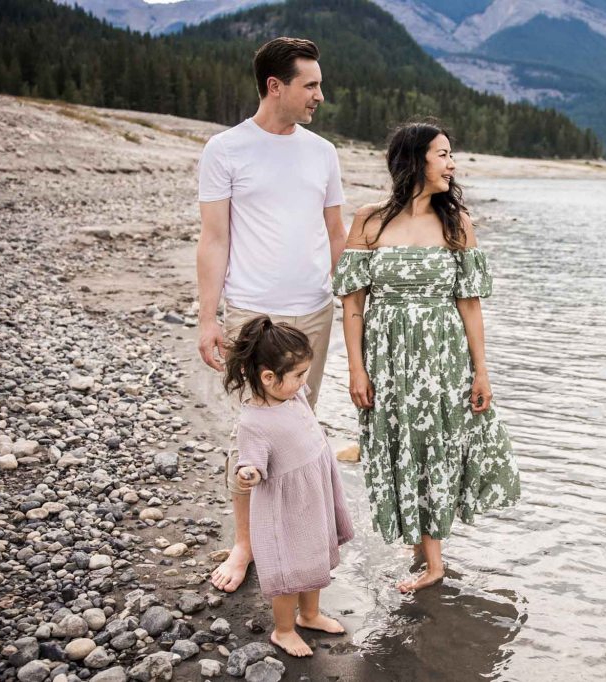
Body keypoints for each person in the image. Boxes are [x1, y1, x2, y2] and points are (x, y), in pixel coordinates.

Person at [333, 120, 520, 593]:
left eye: (451, 155)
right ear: (415, 160)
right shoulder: (369, 220)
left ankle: (433, 562)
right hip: (387, 357)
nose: (452, 164)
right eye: (443, 154)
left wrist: (481, 371)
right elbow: (353, 304)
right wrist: (356, 369)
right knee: (399, 441)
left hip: (443, 356)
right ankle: (420, 545)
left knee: (436, 442)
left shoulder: (457, 223)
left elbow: (470, 304)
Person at [196, 36, 346, 593]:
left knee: (299, 431)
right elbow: (214, 239)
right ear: (275, 86)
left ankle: (296, 539)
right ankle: (245, 543)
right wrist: (208, 319)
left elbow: (336, 234)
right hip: (252, 316)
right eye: (311, 85)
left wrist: (350, 301)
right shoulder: (226, 149)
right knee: (253, 434)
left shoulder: (323, 152)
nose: (320, 96)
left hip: (315, 314)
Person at [224, 316, 354, 656]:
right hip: (288, 509)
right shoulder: (254, 422)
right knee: (290, 570)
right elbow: (250, 463)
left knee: (314, 558)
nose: (303, 381)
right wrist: (249, 473)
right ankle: (283, 630)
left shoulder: (292, 396)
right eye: (298, 375)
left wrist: (296, 381)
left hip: (313, 496)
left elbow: (301, 411)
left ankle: (309, 615)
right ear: (268, 377)